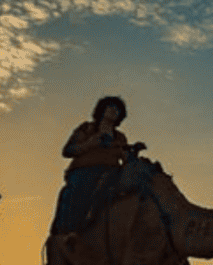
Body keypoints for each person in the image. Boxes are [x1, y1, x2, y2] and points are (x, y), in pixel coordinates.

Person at [50, 96, 145, 236]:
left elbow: (124, 157)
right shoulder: (87, 128)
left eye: (117, 109)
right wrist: (90, 144)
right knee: (81, 190)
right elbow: (68, 151)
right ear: (102, 110)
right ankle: (70, 231)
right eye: (110, 107)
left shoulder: (120, 137)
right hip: (84, 171)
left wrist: (133, 152)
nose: (114, 111)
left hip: (112, 173)